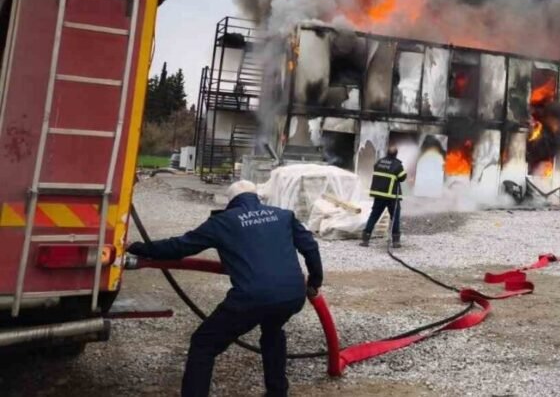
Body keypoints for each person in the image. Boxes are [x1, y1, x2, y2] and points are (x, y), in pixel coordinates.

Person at [127, 180, 323, 397]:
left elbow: (179, 247)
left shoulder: (222, 222)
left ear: (231, 202)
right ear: (256, 196)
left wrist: (137, 247)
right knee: (273, 332)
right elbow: (310, 247)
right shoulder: (283, 215)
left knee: (203, 344)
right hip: (292, 295)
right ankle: (277, 392)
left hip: (252, 298)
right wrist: (314, 282)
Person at [361, 145, 407, 248]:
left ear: (387, 153)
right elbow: (403, 177)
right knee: (395, 218)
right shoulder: (397, 165)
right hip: (391, 197)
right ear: (396, 154)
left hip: (379, 195)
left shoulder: (379, 162)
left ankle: (365, 239)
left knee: (373, 216)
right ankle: (395, 241)